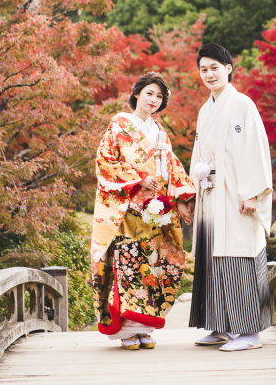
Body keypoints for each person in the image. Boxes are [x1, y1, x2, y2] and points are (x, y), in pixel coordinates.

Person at [90, 72, 195, 350]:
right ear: (136, 93)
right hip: (128, 210)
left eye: (159, 96)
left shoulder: (160, 132)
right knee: (130, 265)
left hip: (156, 210)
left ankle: (145, 327)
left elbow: (173, 167)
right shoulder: (119, 125)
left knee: (155, 267)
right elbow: (105, 162)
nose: (154, 100)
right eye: (149, 93)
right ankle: (127, 331)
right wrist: (136, 178)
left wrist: (183, 197)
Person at [188, 43, 273, 352]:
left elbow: (255, 149)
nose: (209, 74)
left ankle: (250, 332)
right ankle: (221, 326)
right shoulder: (204, 109)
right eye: (203, 69)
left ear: (228, 68)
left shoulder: (242, 105)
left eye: (214, 67)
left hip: (237, 197)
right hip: (211, 195)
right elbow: (200, 154)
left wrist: (252, 193)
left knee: (239, 257)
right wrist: (192, 184)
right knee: (211, 258)